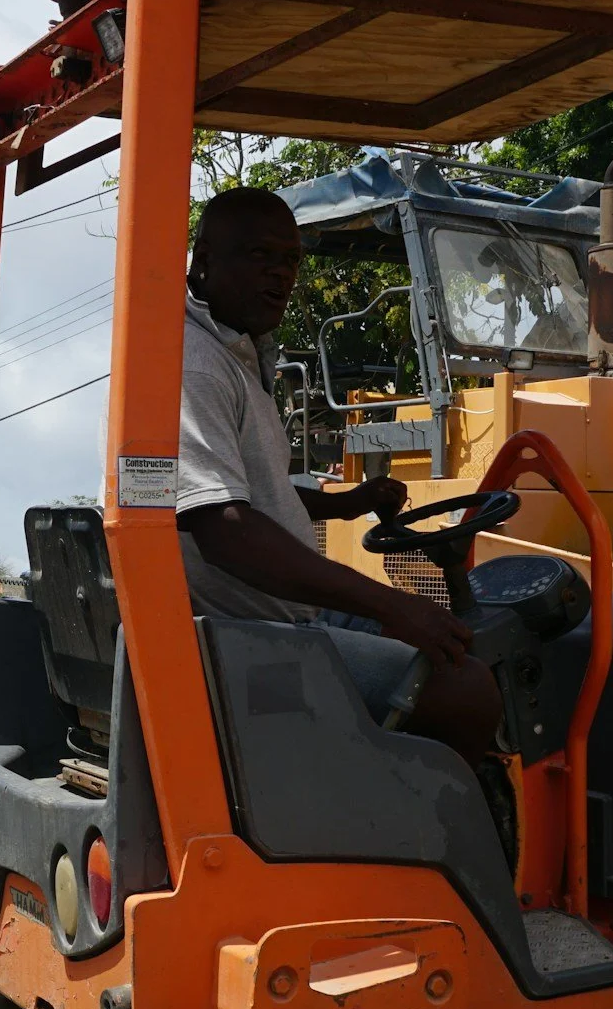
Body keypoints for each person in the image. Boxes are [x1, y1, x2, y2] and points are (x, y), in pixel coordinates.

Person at [173, 186, 501, 766]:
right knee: (469, 691)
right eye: (260, 256)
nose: (281, 275)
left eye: (292, 260)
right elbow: (224, 528)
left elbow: (246, 492)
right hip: (246, 640)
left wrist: (344, 505)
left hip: (273, 618)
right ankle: (448, 846)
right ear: (204, 262)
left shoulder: (235, 353)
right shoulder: (195, 365)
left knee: (448, 640)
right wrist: (390, 605)